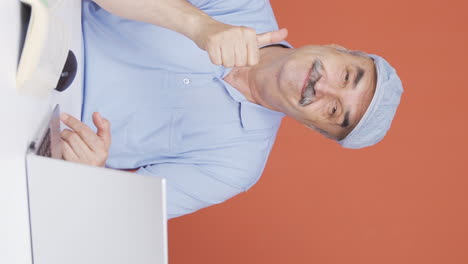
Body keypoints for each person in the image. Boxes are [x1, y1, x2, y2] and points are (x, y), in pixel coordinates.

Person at [60, 0, 403, 218]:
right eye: (345, 76)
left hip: (35, 135)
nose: (323, 88)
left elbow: (120, 212)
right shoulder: (243, 5)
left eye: (332, 111)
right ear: (336, 47)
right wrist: (201, 26)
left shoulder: (235, 166)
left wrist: (93, 173)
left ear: (315, 128)